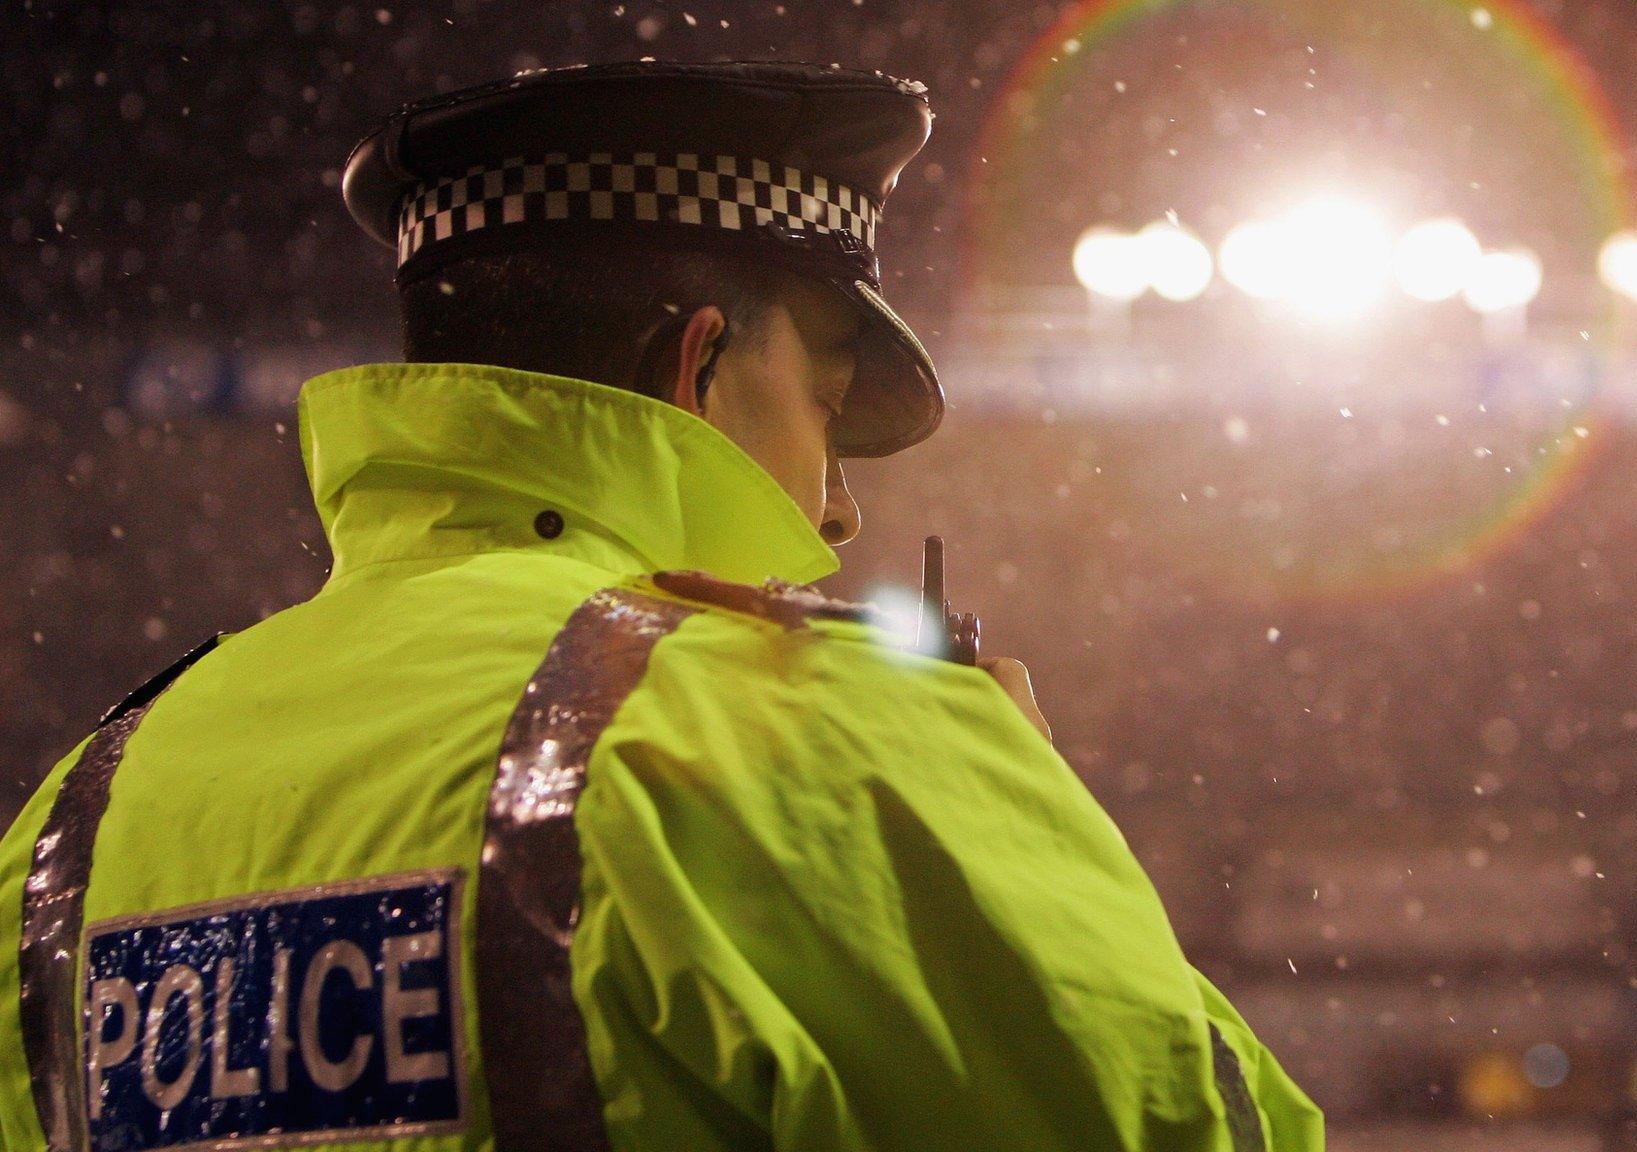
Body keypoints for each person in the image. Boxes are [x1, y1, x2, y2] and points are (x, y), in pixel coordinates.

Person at [0, 61, 1323, 1152]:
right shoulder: (805, 733)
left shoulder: (83, 809)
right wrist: (1027, 824)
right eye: (825, 410)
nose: (838, 509)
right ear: (696, 366)